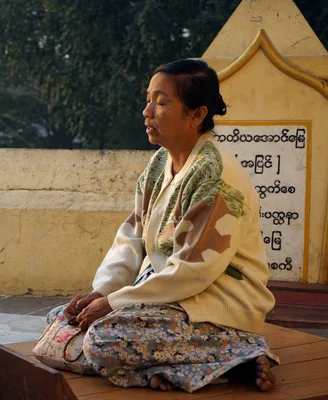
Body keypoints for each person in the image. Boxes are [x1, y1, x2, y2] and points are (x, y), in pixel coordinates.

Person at [44, 59, 278, 393]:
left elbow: (194, 271)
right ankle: (194, 367)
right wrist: (105, 291)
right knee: (61, 319)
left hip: (212, 304)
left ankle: (242, 349)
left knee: (101, 342)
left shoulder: (216, 174)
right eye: (149, 99)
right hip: (167, 299)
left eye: (161, 102)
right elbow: (133, 235)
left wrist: (114, 305)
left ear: (196, 114)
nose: (147, 112)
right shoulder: (160, 163)